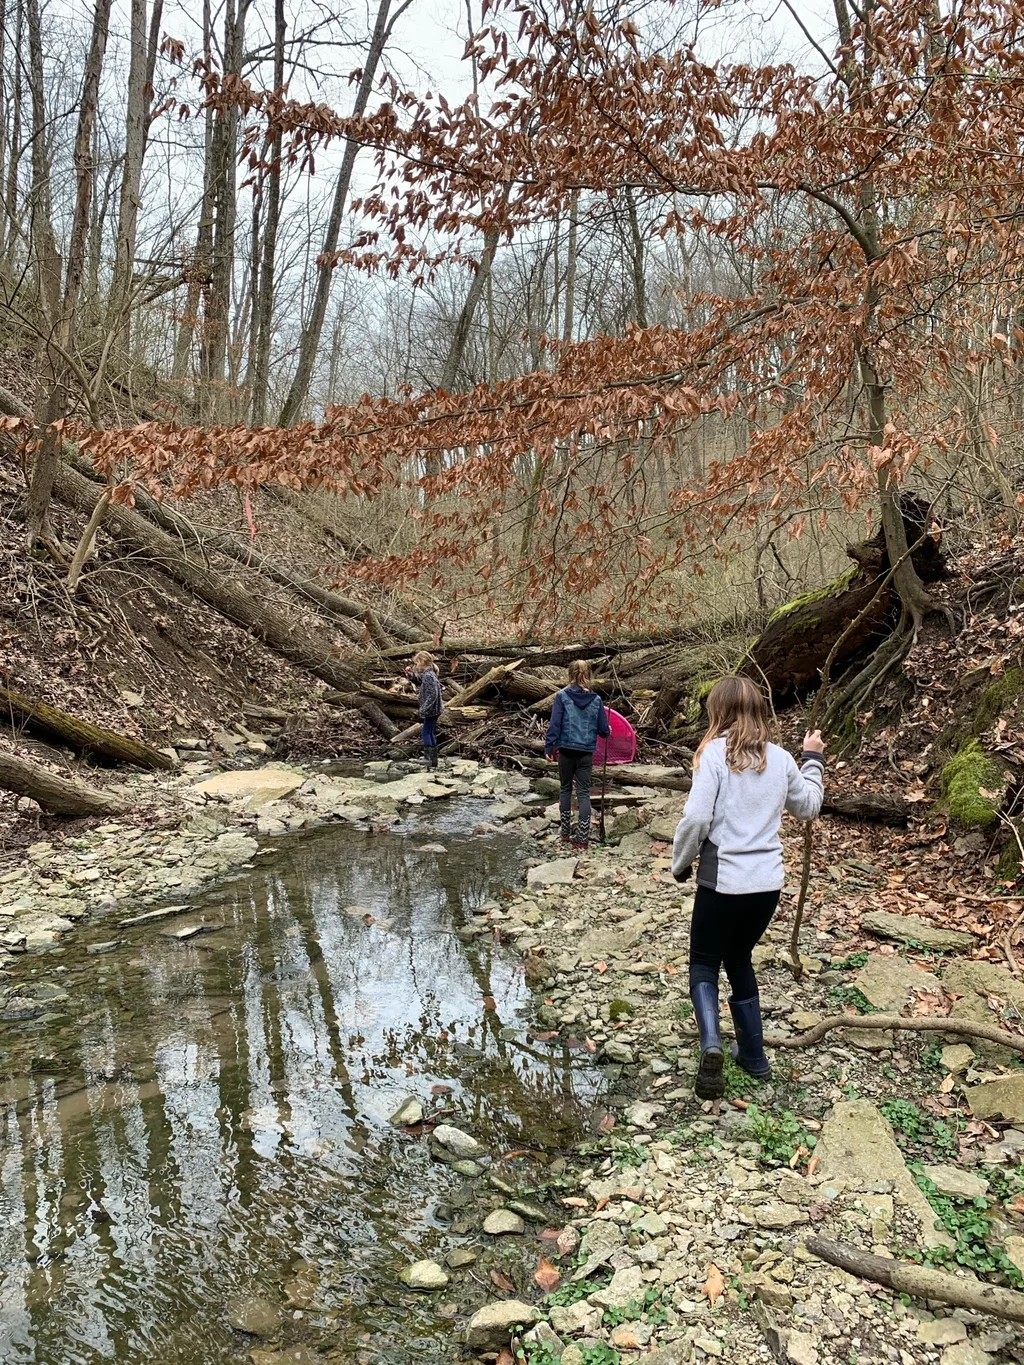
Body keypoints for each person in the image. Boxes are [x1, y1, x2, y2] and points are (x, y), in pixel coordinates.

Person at [672, 676, 825, 1099]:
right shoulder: (782, 759)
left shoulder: (712, 754)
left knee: (704, 962)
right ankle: (754, 1056)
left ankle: (711, 1045)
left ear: (718, 711)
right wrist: (813, 758)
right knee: (739, 957)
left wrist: (680, 863)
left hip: (723, 882)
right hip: (767, 884)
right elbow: (809, 806)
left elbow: (697, 818)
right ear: (758, 710)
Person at [544, 660, 611, 850]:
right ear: (588, 675)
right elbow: (603, 731)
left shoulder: (562, 696)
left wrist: (549, 747)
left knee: (565, 789)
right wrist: (608, 729)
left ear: (570, 675)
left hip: (566, 750)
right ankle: (582, 839)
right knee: (583, 792)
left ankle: (565, 833)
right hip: (586, 752)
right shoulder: (596, 700)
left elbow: (555, 724)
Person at [407, 651, 442, 769]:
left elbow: (433, 694)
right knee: (430, 732)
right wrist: (410, 676)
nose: (415, 666)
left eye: (416, 663)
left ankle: (428, 758)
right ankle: (433, 759)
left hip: (431, 710)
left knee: (425, 732)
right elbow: (419, 681)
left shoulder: (429, 676)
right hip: (435, 709)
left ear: (422, 662)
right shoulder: (429, 674)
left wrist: (424, 708)